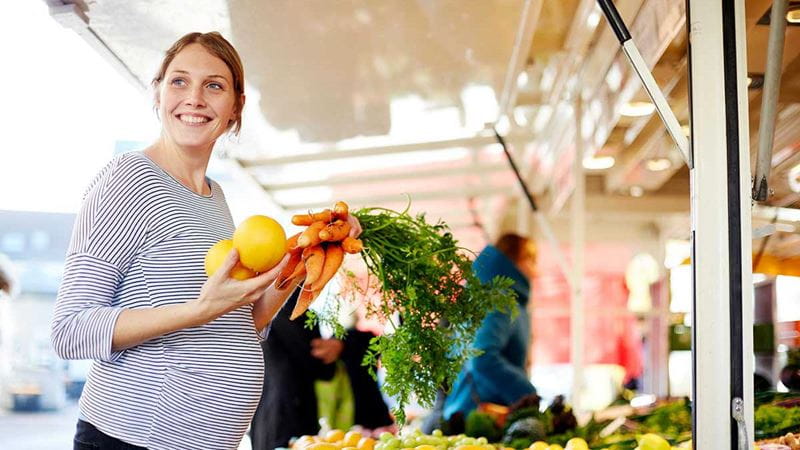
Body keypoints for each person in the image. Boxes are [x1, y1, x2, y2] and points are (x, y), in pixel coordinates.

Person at [50, 31, 360, 450]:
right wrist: (199, 309)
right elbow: (71, 329)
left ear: (235, 108)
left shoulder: (215, 198)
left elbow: (239, 323)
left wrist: (301, 263)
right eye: (179, 81)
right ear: (157, 93)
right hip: (133, 438)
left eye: (213, 85)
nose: (194, 98)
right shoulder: (128, 179)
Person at [441, 233, 538, 424]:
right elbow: (481, 356)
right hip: (481, 418)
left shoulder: (481, 296)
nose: (536, 272)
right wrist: (525, 393)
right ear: (515, 261)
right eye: (532, 261)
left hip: (465, 411)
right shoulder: (500, 299)